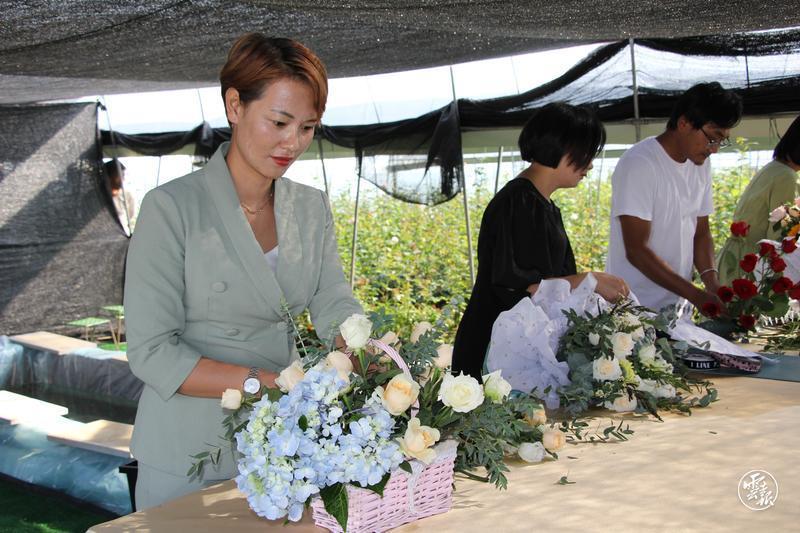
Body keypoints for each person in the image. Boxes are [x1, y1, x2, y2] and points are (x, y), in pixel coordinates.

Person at [124, 34, 362, 509]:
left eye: (308, 127)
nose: (292, 143)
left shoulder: (310, 207)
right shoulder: (172, 207)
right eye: (279, 121)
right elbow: (152, 352)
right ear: (235, 105)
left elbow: (334, 298)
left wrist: (361, 352)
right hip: (189, 446)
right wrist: (274, 382)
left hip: (284, 445)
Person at [452, 103, 630, 380]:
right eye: (586, 153)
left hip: (514, 346)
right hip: (495, 350)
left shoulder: (539, 203)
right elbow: (525, 287)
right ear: (562, 146)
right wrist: (589, 279)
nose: (590, 165)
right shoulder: (520, 202)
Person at [606, 82, 743, 315]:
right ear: (684, 123)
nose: (715, 149)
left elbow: (700, 232)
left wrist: (712, 283)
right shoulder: (640, 163)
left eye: (722, 140)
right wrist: (695, 294)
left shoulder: (699, 164)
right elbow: (636, 249)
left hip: (679, 309)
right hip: (635, 311)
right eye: (713, 138)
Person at [717, 115, 800, 285]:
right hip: (753, 269)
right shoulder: (786, 176)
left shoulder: (773, 168)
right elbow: (778, 239)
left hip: (736, 259)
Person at [104, 159, 136, 234]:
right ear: (109, 176)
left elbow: (130, 215)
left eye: (123, 175)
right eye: (119, 175)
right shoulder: (97, 196)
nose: (123, 179)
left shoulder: (127, 195)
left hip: (122, 236)